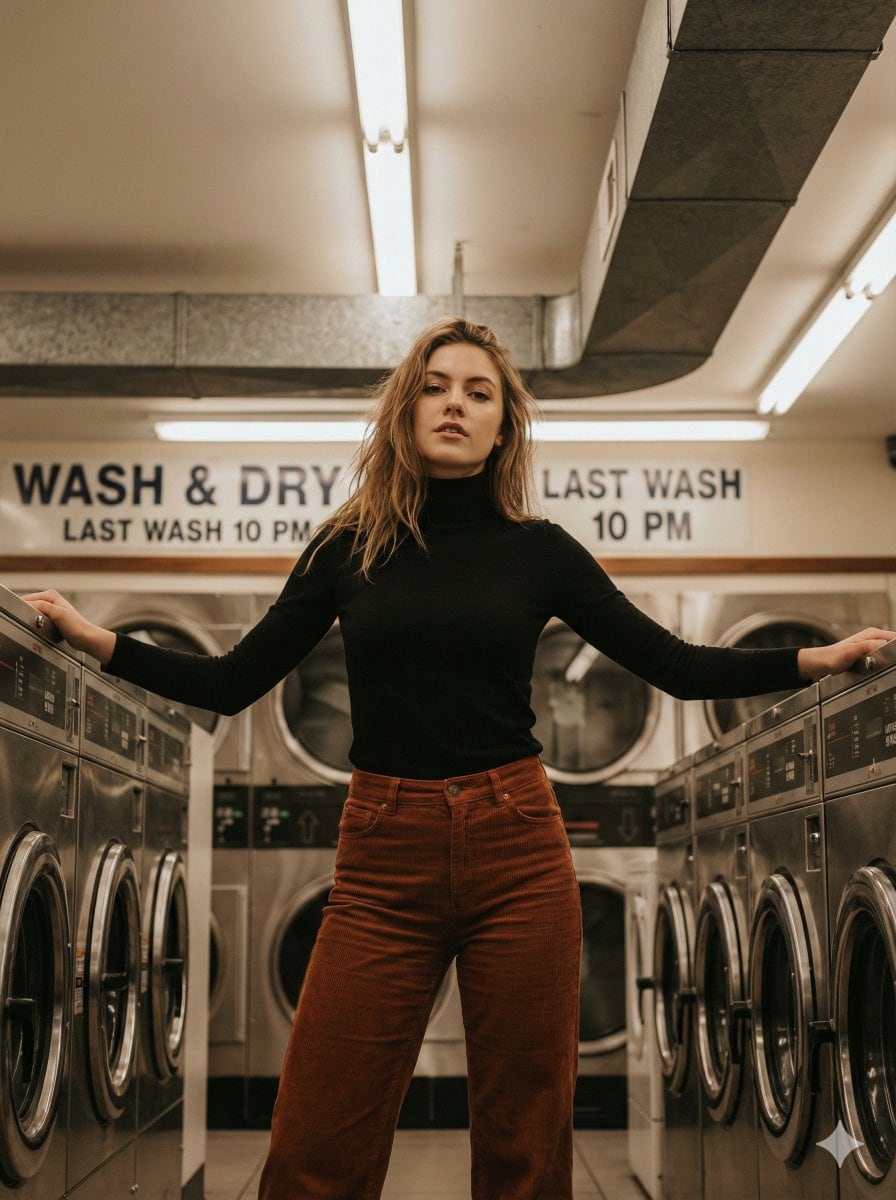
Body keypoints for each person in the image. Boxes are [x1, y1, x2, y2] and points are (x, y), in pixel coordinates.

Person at [25, 317, 894, 1200]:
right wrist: (101, 641)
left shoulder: (540, 551)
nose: (455, 404)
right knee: (314, 1139)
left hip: (517, 845)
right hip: (380, 856)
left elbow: (672, 662)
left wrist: (811, 661)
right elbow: (231, 681)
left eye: (479, 393)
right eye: (438, 386)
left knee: (525, 1140)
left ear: (503, 427)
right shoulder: (347, 546)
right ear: (407, 410)